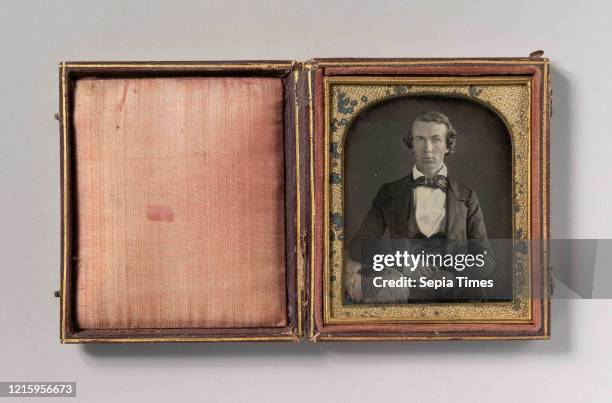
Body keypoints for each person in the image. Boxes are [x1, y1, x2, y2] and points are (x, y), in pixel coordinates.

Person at [346, 111, 494, 302]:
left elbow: (487, 259)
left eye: (436, 140)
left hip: (458, 296)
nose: (428, 149)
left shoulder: (467, 196)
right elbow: (359, 244)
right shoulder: (390, 193)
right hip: (407, 295)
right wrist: (401, 263)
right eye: (420, 140)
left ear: (448, 146)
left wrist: (456, 279)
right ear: (411, 145)